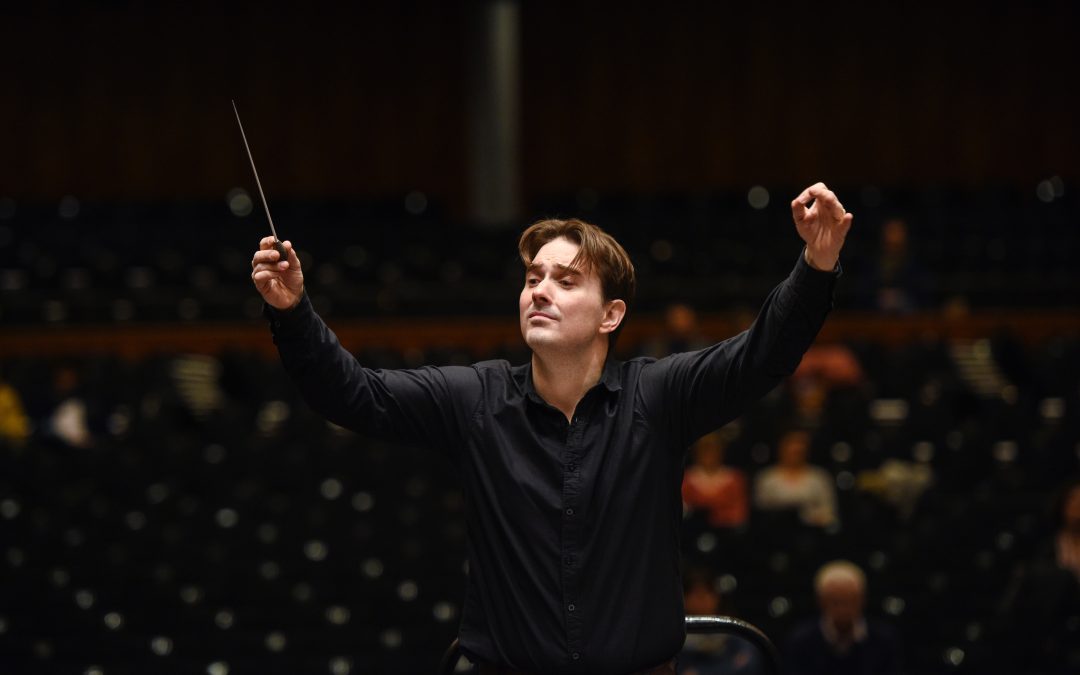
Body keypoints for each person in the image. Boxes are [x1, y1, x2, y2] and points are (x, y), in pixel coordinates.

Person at [250, 183, 852, 674]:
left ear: (611, 315)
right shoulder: (475, 398)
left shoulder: (658, 396)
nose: (540, 290)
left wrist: (816, 263)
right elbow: (354, 395)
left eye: (566, 281)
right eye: (534, 277)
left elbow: (761, 355)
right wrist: (291, 311)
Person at [783, 561, 901, 675]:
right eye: (835, 602)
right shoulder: (800, 641)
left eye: (850, 600)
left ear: (862, 600)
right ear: (821, 602)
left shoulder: (884, 640)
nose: (843, 609)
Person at [679, 566, 762, 675]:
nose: (703, 600)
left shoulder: (732, 628)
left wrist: (700, 672)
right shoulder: (676, 636)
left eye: (707, 593)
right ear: (683, 597)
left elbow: (748, 664)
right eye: (696, 594)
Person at [753, 429, 838, 528]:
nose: (797, 449)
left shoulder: (819, 477)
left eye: (801, 444)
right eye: (792, 443)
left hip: (812, 534)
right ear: (781, 447)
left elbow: (830, 513)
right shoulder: (767, 478)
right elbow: (761, 511)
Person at [682, 430, 749, 529]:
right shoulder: (685, 479)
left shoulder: (735, 478)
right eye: (704, 448)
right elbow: (681, 512)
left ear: (721, 450)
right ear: (696, 451)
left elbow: (740, 514)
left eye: (713, 448)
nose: (709, 453)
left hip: (727, 532)